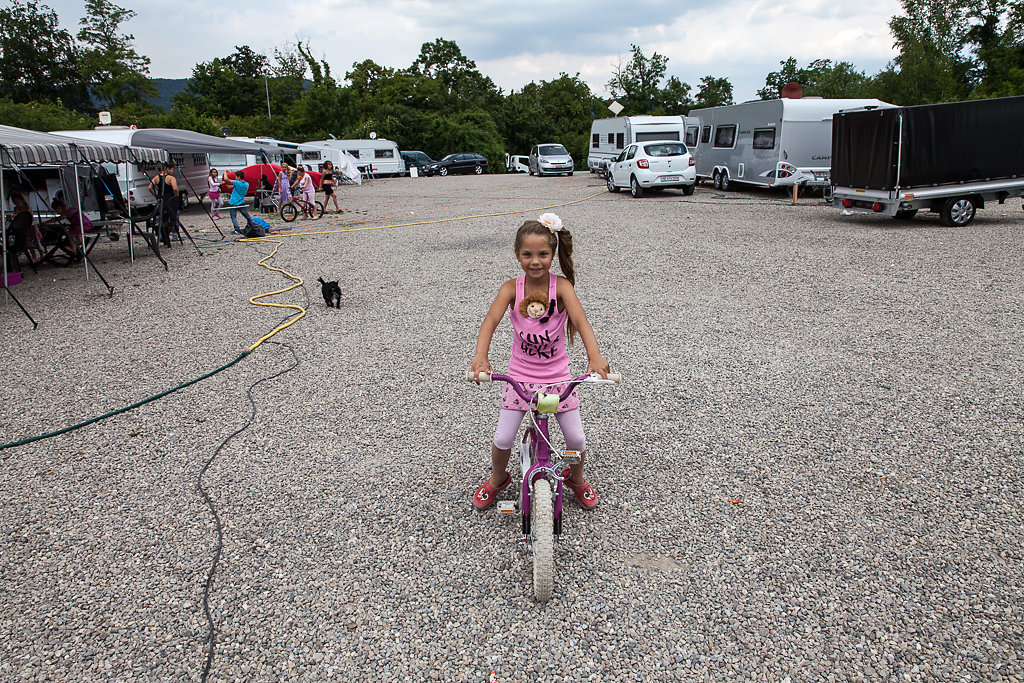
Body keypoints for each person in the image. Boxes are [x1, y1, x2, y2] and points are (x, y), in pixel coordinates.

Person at [469, 213, 610, 511]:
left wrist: (594, 356)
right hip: (519, 377)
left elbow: (581, 321)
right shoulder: (511, 288)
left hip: (558, 378)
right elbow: (490, 321)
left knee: (576, 438)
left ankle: (577, 477)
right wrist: (481, 356)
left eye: (543, 254)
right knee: (504, 437)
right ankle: (498, 478)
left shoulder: (561, 288)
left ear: (553, 254)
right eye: (527, 254)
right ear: (517, 255)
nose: (536, 261)